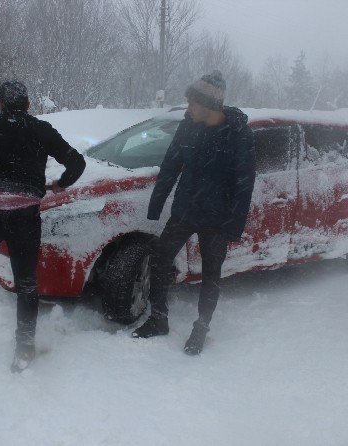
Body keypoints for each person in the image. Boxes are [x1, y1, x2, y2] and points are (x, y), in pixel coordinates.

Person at [0, 80, 86, 372]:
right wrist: (62, 183)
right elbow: (77, 163)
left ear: (0, 104)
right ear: (28, 104)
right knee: (26, 283)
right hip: (24, 217)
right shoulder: (42, 130)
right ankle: (25, 346)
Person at [132, 70, 256, 355]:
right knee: (160, 258)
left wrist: (234, 226)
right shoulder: (188, 126)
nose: (187, 109)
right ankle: (158, 319)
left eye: (192, 103)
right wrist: (156, 206)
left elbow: (244, 184)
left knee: (211, 273)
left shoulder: (238, 135)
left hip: (217, 218)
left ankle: (201, 328)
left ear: (209, 105)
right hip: (185, 209)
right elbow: (170, 166)